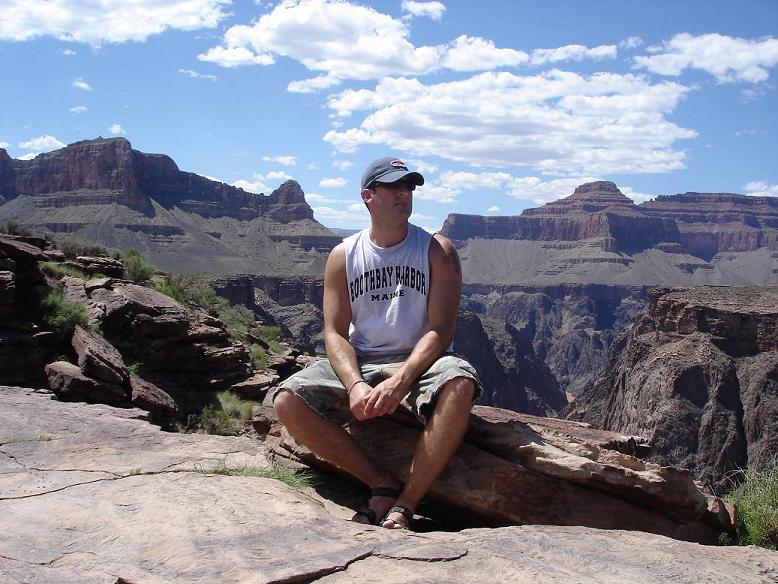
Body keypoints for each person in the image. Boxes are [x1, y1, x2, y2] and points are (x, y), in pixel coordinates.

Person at [272, 157, 481, 530]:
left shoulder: (436, 250)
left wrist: (400, 380)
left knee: (460, 384)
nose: (405, 193)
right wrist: (354, 384)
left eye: (410, 187)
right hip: (364, 359)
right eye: (394, 187)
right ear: (368, 195)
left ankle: (407, 501)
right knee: (287, 400)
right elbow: (335, 332)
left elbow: (441, 331)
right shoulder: (344, 256)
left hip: (422, 362)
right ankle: (380, 483)